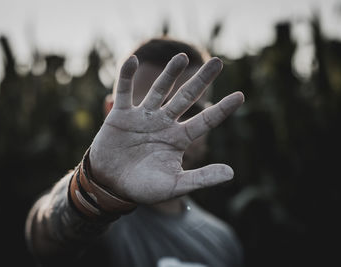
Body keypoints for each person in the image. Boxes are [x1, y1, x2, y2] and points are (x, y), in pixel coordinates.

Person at [25, 37, 245, 267]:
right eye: (150, 113)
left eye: (191, 111)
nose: (170, 130)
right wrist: (93, 191)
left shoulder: (223, 242)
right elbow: (44, 235)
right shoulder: (100, 229)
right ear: (111, 112)